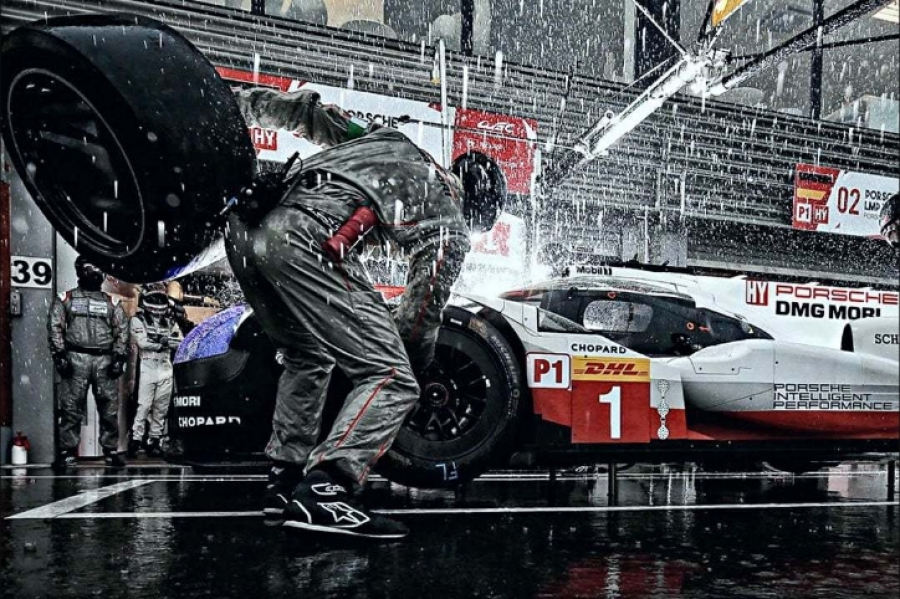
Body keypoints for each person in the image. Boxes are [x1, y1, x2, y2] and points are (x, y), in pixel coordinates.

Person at [225, 87, 504, 538]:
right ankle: (326, 490)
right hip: (304, 236)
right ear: (477, 211)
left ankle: (284, 482)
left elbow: (307, 113)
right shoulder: (451, 223)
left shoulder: (388, 140)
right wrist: (414, 367)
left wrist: (232, 106)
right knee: (392, 378)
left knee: (307, 356)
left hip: (246, 230)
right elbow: (419, 315)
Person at [48, 256, 129, 469]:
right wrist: (60, 355)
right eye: (89, 268)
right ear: (79, 271)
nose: (94, 273)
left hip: (104, 359)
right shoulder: (66, 298)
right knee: (70, 407)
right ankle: (67, 452)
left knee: (109, 407)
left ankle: (110, 451)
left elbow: (122, 330)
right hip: (75, 357)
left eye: (98, 269)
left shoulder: (112, 302)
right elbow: (55, 326)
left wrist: (119, 356)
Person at [128, 285, 184, 457]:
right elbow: (142, 342)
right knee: (144, 406)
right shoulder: (138, 320)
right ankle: (136, 439)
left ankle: (154, 439)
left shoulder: (170, 321)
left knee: (161, 407)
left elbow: (180, 341)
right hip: (147, 365)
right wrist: (164, 342)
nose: (158, 305)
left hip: (165, 366)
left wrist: (161, 341)